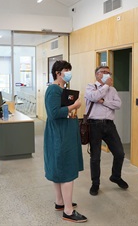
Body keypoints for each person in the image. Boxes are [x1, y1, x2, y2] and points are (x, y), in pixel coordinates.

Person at [44, 60, 87, 223]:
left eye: (70, 69)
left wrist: (72, 107)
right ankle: (68, 211)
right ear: (58, 73)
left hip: (65, 133)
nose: (69, 73)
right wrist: (74, 106)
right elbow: (54, 113)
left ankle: (60, 202)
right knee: (66, 170)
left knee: (60, 169)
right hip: (60, 135)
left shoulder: (62, 90)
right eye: (66, 70)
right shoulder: (53, 90)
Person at [84, 66, 128, 196]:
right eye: (104, 72)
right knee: (95, 157)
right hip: (94, 125)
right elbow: (93, 97)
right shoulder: (90, 86)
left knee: (119, 153)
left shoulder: (113, 90)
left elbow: (118, 104)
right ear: (97, 75)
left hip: (109, 125)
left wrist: (103, 101)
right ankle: (95, 183)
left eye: (109, 73)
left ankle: (116, 176)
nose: (107, 75)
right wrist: (105, 88)